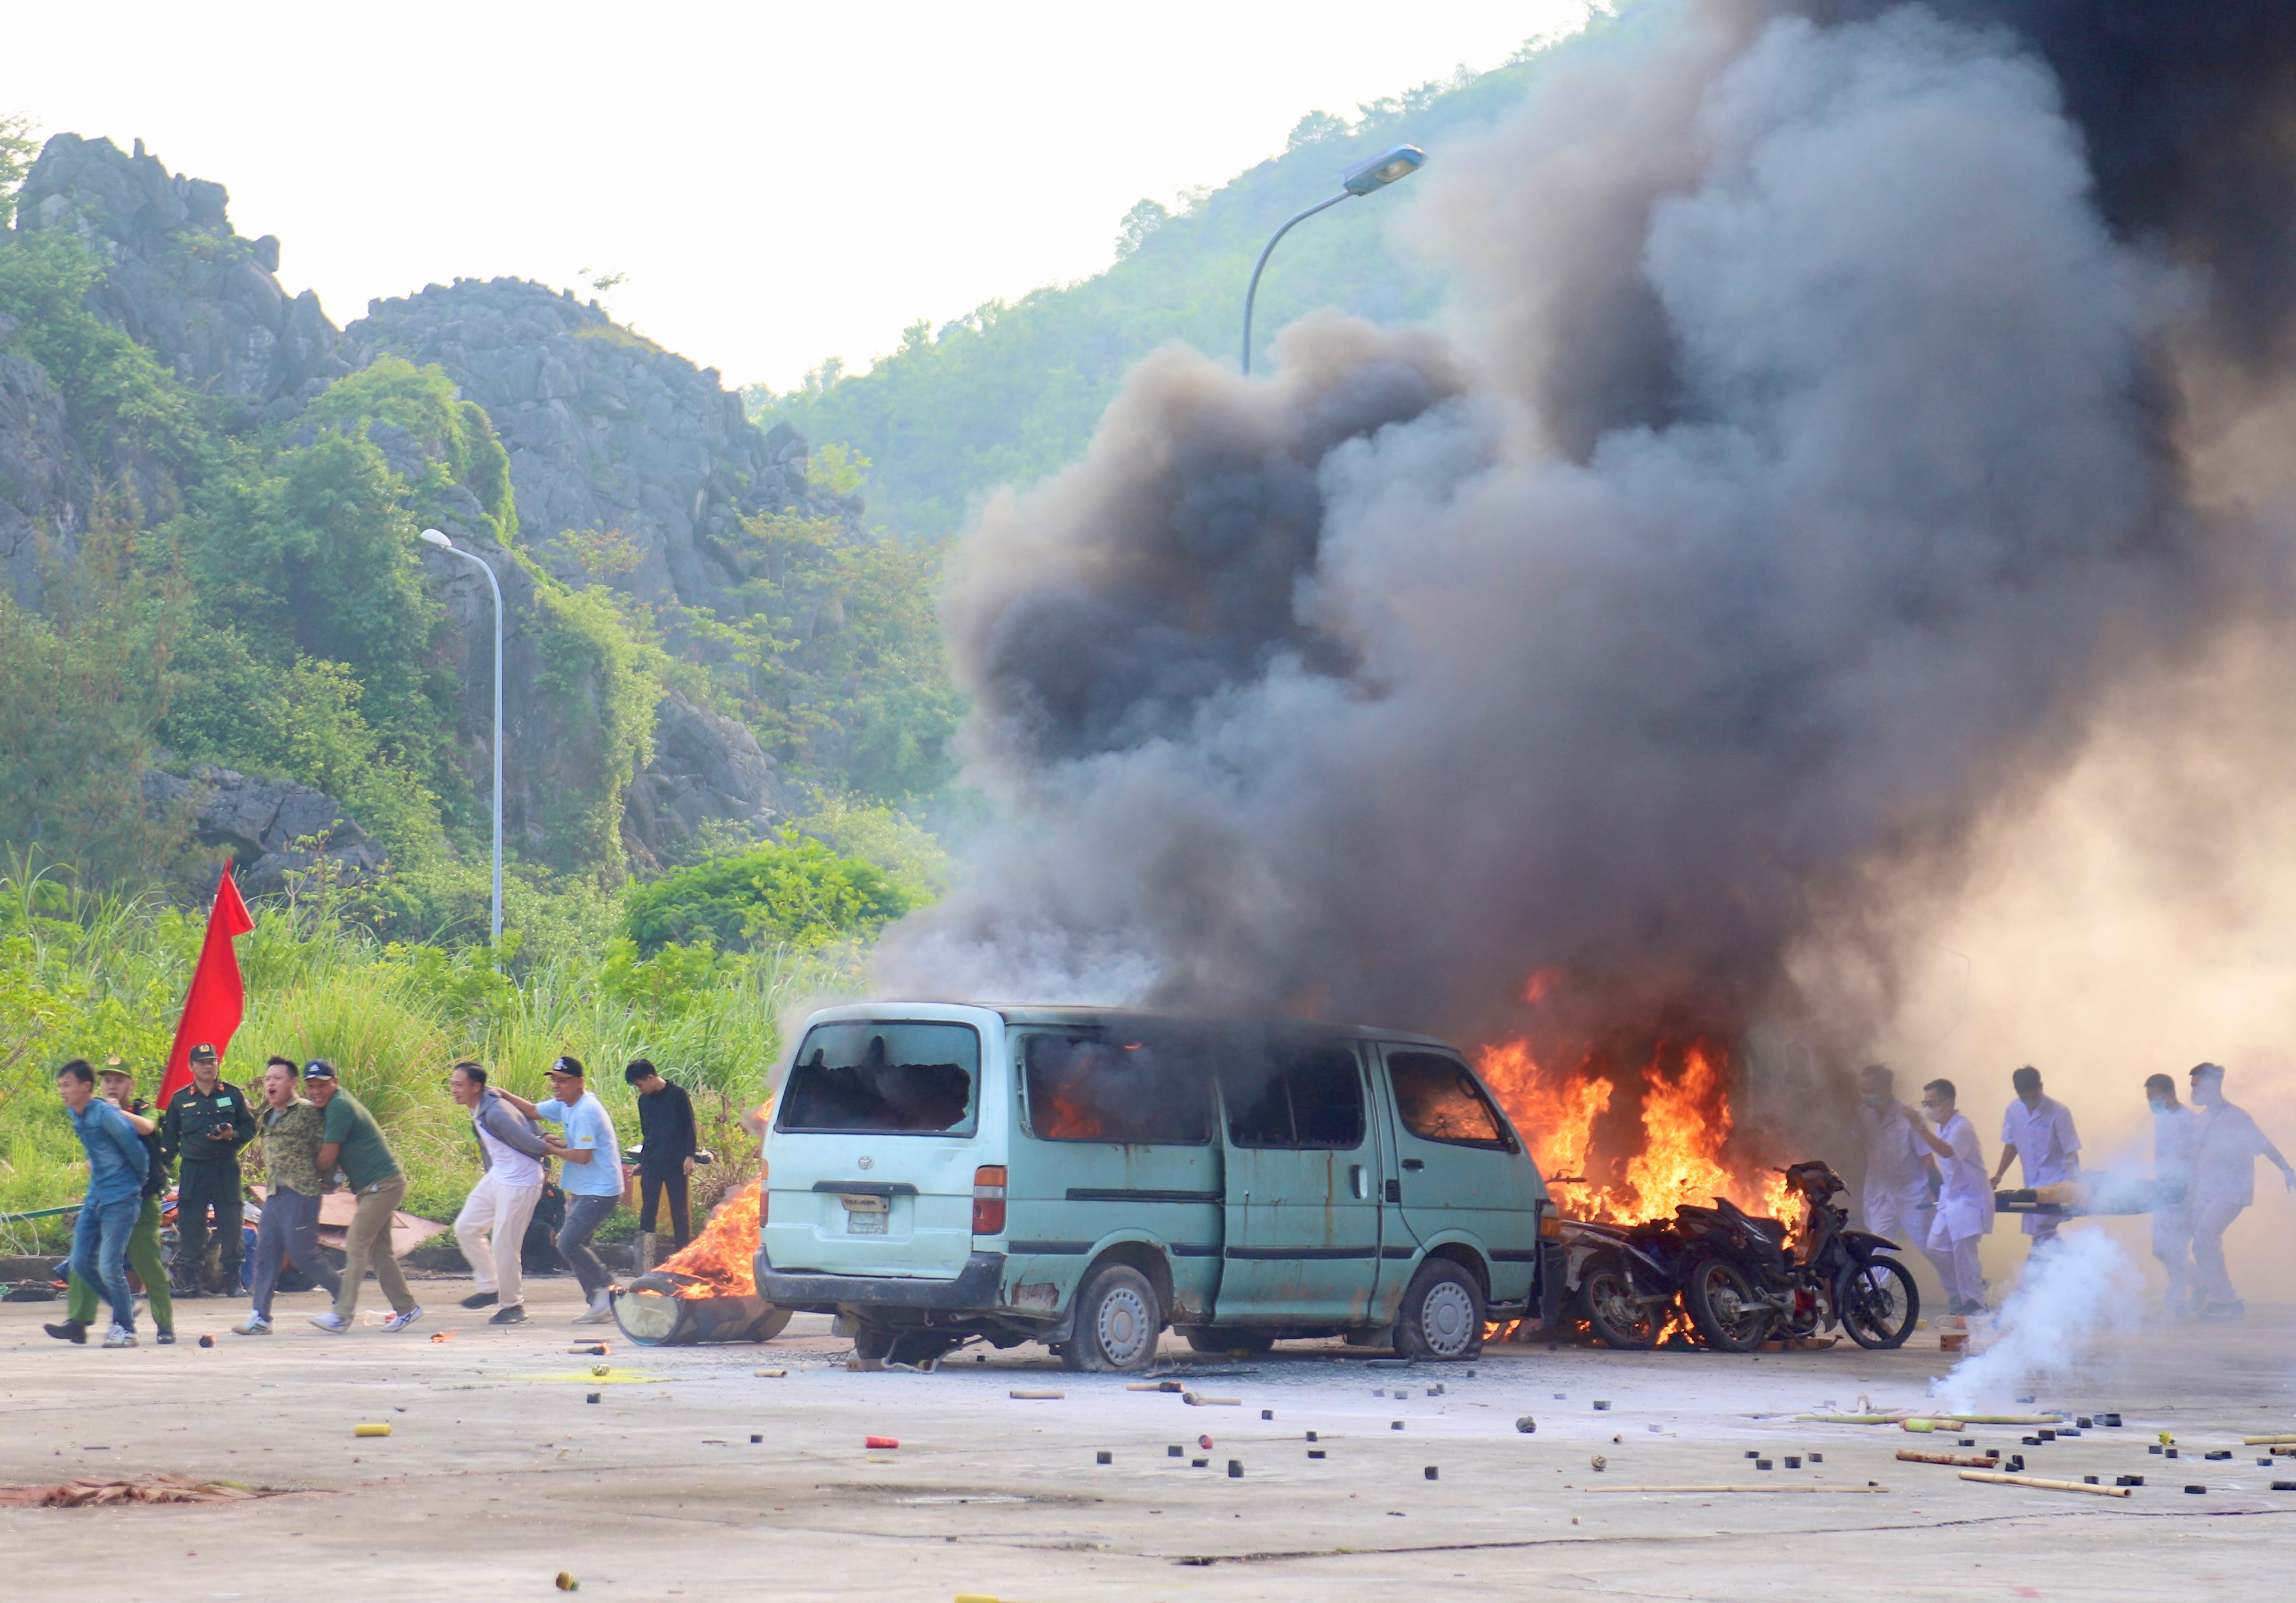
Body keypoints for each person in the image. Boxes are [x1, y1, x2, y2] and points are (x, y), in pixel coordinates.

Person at [53, 1061, 177, 1345]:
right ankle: (79, 1320)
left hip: (142, 1200)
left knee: (146, 1263)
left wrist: (114, 1111)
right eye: (107, 1080)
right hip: (107, 1197)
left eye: (119, 1081)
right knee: (83, 1260)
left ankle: (164, 1323)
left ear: (131, 1085)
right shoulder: (91, 1111)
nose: (112, 1086)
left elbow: (147, 1128)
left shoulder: (141, 1109)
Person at [496, 1056, 623, 1325]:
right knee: (567, 1244)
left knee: (567, 1242)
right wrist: (501, 1093)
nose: (557, 1085)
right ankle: (600, 1301)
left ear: (580, 1083)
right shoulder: (566, 1105)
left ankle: (608, 1290)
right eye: (554, 1080)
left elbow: (583, 1156)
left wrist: (548, 1148)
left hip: (601, 1190)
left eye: (563, 1081)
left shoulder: (587, 1110)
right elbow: (531, 1110)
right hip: (584, 1188)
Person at [300, 1061, 422, 1334]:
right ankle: (407, 1309)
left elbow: (328, 1156)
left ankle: (342, 1315)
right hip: (374, 1187)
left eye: (323, 1085)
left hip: (383, 1185)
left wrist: (305, 1171)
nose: (317, 1092)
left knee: (357, 1245)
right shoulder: (330, 1106)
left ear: (336, 1081)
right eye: (311, 1087)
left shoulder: (339, 1106)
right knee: (380, 1254)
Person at [234, 1057, 341, 1335]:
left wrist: (330, 1181)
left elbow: (326, 1147)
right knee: (266, 1253)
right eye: (268, 1078)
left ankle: (345, 1296)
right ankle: (261, 1316)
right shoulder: (270, 1112)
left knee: (304, 1255)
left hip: (301, 1192)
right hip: (275, 1194)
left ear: (294, 1083)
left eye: (278, 1078)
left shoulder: (306, 1111)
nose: (271, 1083)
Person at [2185, 1062, 2295, 1322]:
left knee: (2204, 1239)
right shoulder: (2202, 1120)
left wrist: (2286, 1170)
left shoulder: (2237, 1117)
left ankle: (2227, 1301)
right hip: (2205, 1191)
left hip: (2231, 1192)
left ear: (2212, 1085)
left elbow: (2263, 1144)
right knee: (2197, 1245)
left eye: (2197, 1085)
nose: (2193, 1091)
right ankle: (2216, 1294)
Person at [449, 1060, 549, 1325]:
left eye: (459, 1085)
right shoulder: (482, 1105)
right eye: (452, 1084)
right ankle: (491, 1287)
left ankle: (513, 1306)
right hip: (500, 1176)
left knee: (505, 1245)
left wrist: (547, 1147)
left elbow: (533, 1143)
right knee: (466, 1227)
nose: (454, 1090)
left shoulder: (495, 1112)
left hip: (521, 1181)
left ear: (476, 1087)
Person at [160, 1041, 257, 1296]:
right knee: (192, 1224)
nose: (208, 1066)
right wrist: (161, 1172)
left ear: (218, 1064)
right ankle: (192, 1281)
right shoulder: (181, 1100)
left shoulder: (233, 1095)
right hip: (194, 1169)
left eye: (212, 1061)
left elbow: (250, 1128)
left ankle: (235, 1281)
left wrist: (231, 1135)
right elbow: (169, 1140)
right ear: (191, 1067)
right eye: (202, 1063)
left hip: (225, 1167)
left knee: (232, 1222)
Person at [1905, 1077, 1992, 1316]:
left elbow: (1947, 1152)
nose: (1928, 1108)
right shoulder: (1942, 1127)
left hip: (1970, 1198)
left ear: (1948, 1102)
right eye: (1925, 1103)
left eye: (1931, 1103)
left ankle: (1974, 1302)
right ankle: (1964, 1290)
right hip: (1951, 1197)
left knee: (1964, 1250)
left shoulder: (1962, 1127)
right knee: (1935, 1248)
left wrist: (1920, 1127)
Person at [1991, 1066, 2082, 1249]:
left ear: (2041, 1087)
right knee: (2043, 1235)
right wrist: (1999, 1175)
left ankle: (2037, 1275)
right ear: (2017, 1092)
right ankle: (2070, 1271)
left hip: (2055, 1183)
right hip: (2031, 1184)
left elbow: (2071, 1152)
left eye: (2033, 1096)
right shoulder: (2014, 1110)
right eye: (2024, 1097)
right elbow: (2011, 1144)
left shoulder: (2060, 1112)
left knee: (2042, 1232)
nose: (2029, 1101)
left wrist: (2075, 1185)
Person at [1853, 1063, 1933, 1247]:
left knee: (1931, 1247)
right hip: (1880, 1195)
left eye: (1871, 1091)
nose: (1867, 1097)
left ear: (1887, 1088)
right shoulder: (1863, 1115)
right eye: (1863, 1091)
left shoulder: (1910, 1116)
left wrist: (1925, 1190)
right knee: (1877, 1253)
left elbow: (1928, 1159)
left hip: (1911, 1195)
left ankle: (1965, 1276)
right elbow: (1860, 1149)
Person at [627, 1059, 698, 1260]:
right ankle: (645, 1258)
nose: (640, 1090)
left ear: (650, 1078)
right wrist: (642, 1160)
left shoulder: (678, 1095)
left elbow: (689, 1128)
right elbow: (647, 1134)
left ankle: (682, 1258)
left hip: (676, 1163)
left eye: (640, 1085)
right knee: (648, 1211)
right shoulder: (644, 1101)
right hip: (652, 1164)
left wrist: (689, 1156)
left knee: (680, 1213)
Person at [2145, 1072, 2199, 1316]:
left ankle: (2176, 1301)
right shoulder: (2162, 1118)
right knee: (2160, 1249)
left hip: (2185, 1192)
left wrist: (2187, 1189)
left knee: (2176, 1248)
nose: (2151, 1103)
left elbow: (2194, 1159)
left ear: (2170, 1094)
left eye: (2154, 1097)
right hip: (2164, 1190)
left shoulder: (2190, 1121)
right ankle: (2202, 1281)